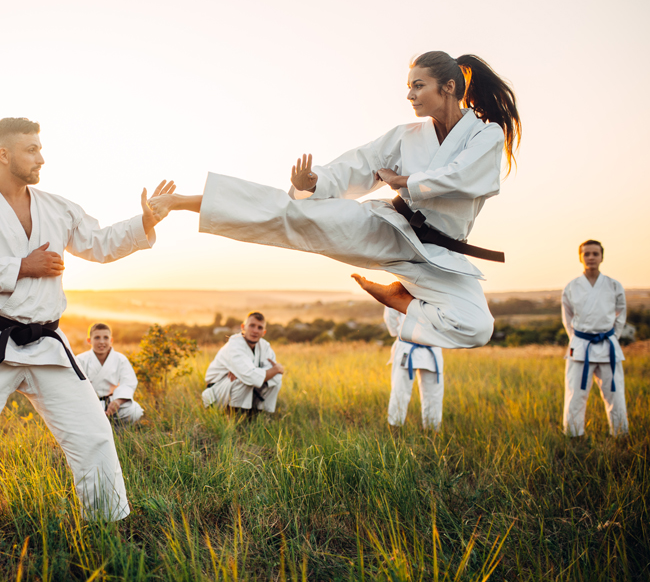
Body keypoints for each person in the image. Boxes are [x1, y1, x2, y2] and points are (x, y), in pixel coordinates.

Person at [0, 117, 174, 529]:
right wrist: (23, 266)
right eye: (32, 149)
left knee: (93, 435)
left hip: (46, 342)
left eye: (40, 148)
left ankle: (105, 528)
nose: (41, 157)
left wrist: (146, 222)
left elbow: (98, 243)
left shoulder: (56, 207)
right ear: (3, 154)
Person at [149, 52, 521, 350]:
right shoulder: (407, 135)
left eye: (418, 86)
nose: (409, 95)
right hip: (389, 229)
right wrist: (314, 182)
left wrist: (404, 180)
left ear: (449, 86)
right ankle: (182, 201)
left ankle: (400, 300)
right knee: (293, 214)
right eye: (408, 87)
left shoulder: (485, 135)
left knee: (477, 327)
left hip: (439, 255)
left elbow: (463, 176)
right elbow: (359, 165)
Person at [562, 240, 628, 437]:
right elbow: (567, 319)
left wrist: (612, 337)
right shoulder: (572, 286)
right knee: (575, 394)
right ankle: (573, 435)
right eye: (587, 254)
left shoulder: (614, 285)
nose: (591, 257)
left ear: (602, 257)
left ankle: (620, 434)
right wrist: (577, 340)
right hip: (581, 345)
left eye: (595, 254)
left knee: (615, 395)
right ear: (581, 257)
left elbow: (621, 314)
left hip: (608, 344)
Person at [202, 311, 285, 414]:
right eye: (252, 325)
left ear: (264, 332)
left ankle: (259, 415)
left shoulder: (265, 346)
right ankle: (234, 419)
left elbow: (256, 374)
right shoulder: (235, 343)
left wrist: (248, 372)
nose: (255, 330)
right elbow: (250, 376)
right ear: (243, 327)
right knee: (242, 380)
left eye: (259, 327)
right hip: (217, 388)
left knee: (276, 380)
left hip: (242, 387)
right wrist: (276, 369)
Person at [383, 308, 444, 431]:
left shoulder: (405, 287)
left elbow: (390, 314)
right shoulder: (443, 289)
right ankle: (431, 430)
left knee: (400, 391)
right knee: (431, 394)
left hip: (416, 345)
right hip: (415, 346)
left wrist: (398, 332)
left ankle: (396, 428)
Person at [75, 323, 144, 424]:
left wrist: (117, 401)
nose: (101, 342)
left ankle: (116, 430)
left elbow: (128, 383)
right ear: (89, 340)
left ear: (111, 340)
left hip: (112, 403)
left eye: (105, 337)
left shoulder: (120, 359)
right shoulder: (80, 359)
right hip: (88, 403)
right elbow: (75, 385)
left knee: (135, 411)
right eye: (97, 337)